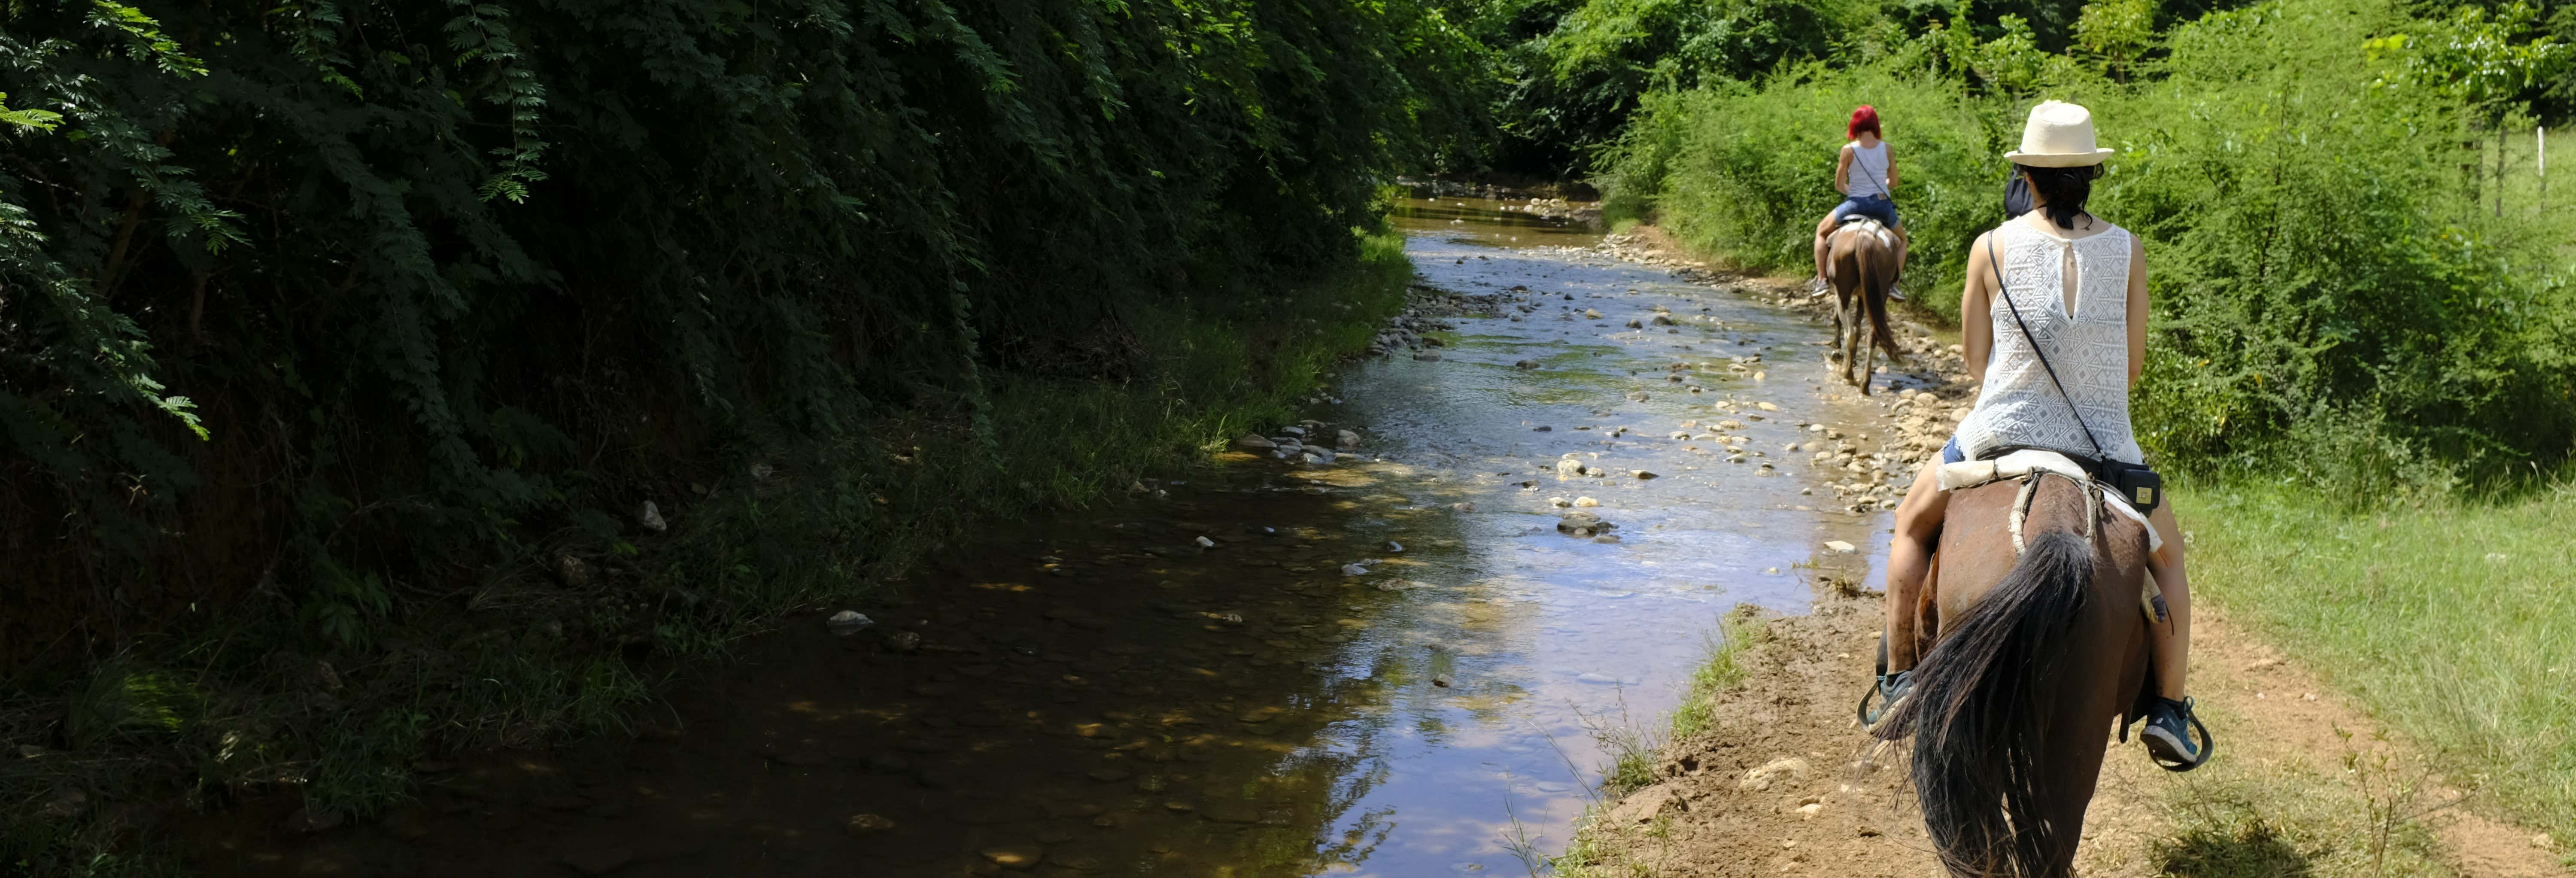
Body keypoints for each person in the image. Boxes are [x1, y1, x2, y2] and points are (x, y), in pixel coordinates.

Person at [1867, 100, 2204, 769]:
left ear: (2027, 172)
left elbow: (1972, 360)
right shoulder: (2129, 249)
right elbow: (2131, 367)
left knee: (1909, 526)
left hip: (1999, 435)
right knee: (2169, 563)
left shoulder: (1990, 246)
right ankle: (2170, 709)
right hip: (2105, 448)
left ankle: (1902, 678)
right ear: (2091, 175)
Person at [1813, 105, 1910, 301]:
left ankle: (1822, 280)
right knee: (1903, 241)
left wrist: (1856, 193)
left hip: (1855, 205)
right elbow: (1895, 183)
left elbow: (1840, 185)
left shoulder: (1848, 150)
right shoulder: (1887, 148)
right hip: (1882, 206)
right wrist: (1881, 190)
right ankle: (1895, 285)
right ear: (1875, 124)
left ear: (1855, 124)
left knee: (1821, 232)